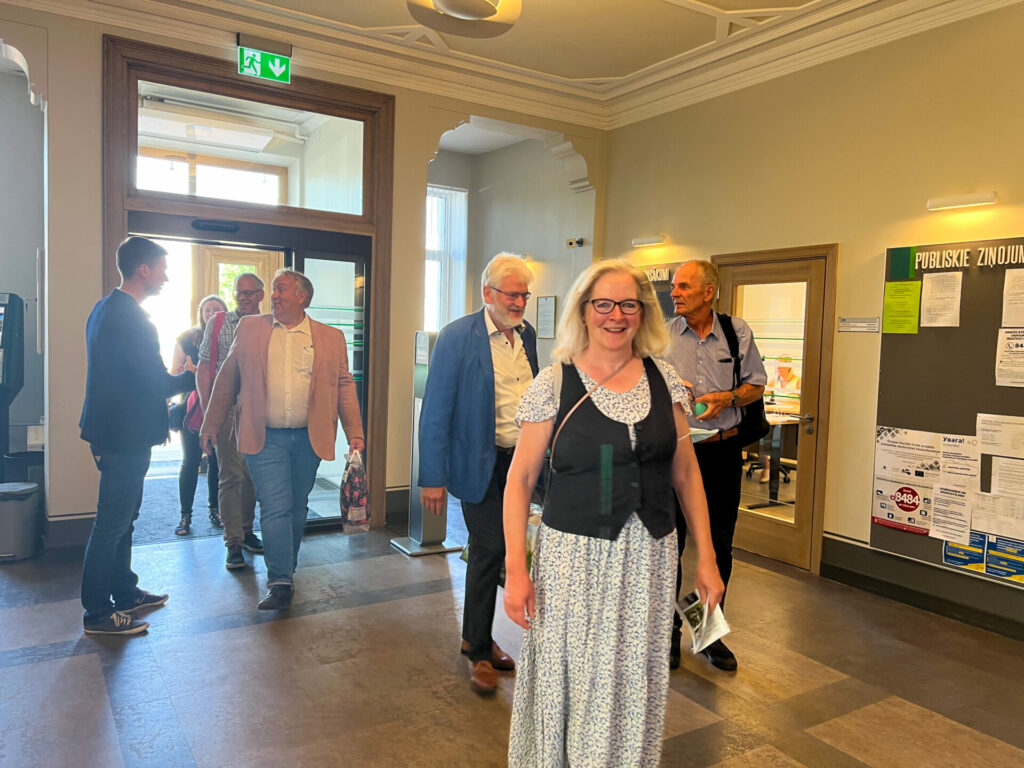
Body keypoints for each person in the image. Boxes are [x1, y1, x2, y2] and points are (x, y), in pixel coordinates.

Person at [503, 259, 723, 766]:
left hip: (650, 558)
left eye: (629, 305)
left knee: (633, 675)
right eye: (603, 303)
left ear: (643, 313)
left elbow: (686, 474)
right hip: (573, 559)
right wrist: (516, 570)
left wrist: (707, 559)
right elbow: (519, 481)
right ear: (583, 310)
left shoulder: (664, 379)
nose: (616, 315)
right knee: (576, 675)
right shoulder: (554, 383)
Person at [200, 269, 365, 610]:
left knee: (296, 505)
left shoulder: (330, 337)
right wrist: (210, 424)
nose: (273, 295)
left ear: (302, 297)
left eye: (281, 289)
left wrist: (355, 433)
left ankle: (285, 568)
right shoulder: (250, 328)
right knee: (274, 505)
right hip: (265, 436)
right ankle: (279, 581)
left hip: (309, 437)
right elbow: (227, 378)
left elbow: (344, 385)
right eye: (273, 290)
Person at [418, 253, 538, 695]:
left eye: (525, 295)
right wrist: (432, 477)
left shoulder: (527, 336)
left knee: (502, 549)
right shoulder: (457, 337)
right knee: (490, 547)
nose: (519, 302)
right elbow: (435, 411)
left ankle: (478, 637)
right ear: (488, 293)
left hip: (520, 464)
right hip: (478, 464)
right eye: (511, 294)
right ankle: (478, 650)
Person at [79, 236, 196, 635]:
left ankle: (125, 593)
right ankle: (97, 613)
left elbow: (127, 379)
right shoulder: (131, 319)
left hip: (115, 431)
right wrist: (193, 376)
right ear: (144, 270)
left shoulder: (105, 308)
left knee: (124, 519)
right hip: (123, 435)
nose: (166, 277)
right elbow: (154, 382)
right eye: (163, 269)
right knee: (112, 522)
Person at [664, 259, 767, 671]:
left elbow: (756, 385)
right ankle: (667, 633)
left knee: (719, 545)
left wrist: (727, 398)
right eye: (674, 286)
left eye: (683, 286)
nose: (674, 293)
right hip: (675, 454)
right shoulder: (662, 337)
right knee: (669, 546)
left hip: (722, 453)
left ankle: (707, 632)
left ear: (708, 292)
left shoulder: (736, 332)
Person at [196, 273, 265, 570]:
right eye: (239, 293)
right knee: (230, 476)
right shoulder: (219, 323)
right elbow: (203, 369)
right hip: (226, 411)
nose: (243, 298)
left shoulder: (269, 324)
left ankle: (247, 532)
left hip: (258, 412)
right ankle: (233, 542)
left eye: (249, 293)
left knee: (252, 477)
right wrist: (210, 413)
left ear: (261, 295)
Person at [171, 294, 227, 536]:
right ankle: (185, 515)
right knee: (190, 461)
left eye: (217, 309)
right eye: (207, 310)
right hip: (192, 409)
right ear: (200, 313)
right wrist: (191, 374)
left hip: (219, 407)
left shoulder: (230, 337)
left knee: (216, 462)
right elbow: (174, 375)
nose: (211, 314)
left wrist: (199, 373)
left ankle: (216, 510)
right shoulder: (187, 338)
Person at [758, 355, 801, 481]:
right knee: (762, 436)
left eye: (781, 366)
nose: (778, 369)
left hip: (790, 418)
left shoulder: (797, 381)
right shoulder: (774, 381)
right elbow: (762, 395)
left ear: (789, 367)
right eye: (777, 366)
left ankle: (771, 466)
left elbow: (805, 402)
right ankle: (767, 466)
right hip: (776, 415)